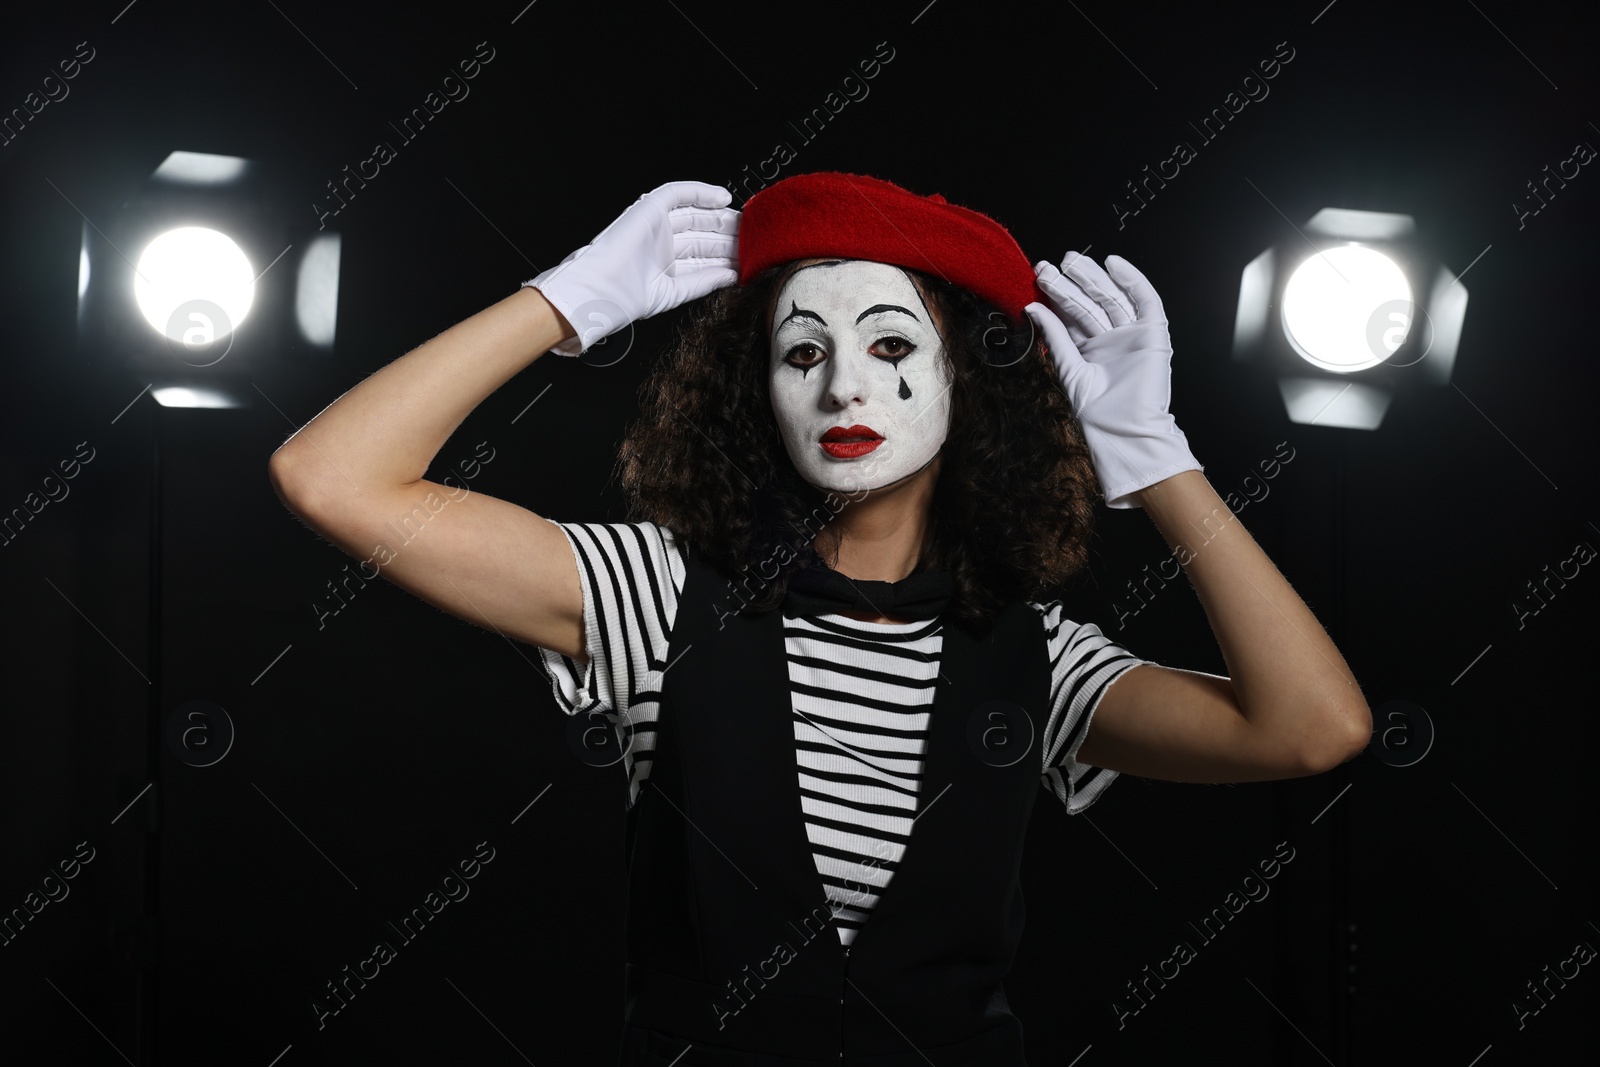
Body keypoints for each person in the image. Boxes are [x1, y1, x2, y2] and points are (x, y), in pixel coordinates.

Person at [268, 172, 1372, 1066]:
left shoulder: (1034, 655)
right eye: (804, 351)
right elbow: (332, 477)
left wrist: (1153, 458)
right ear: (758, 391)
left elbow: (1311, 726)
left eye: (892, 345)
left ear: (965, 385)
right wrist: (567, 304)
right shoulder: (655, 596)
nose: (845, 384)